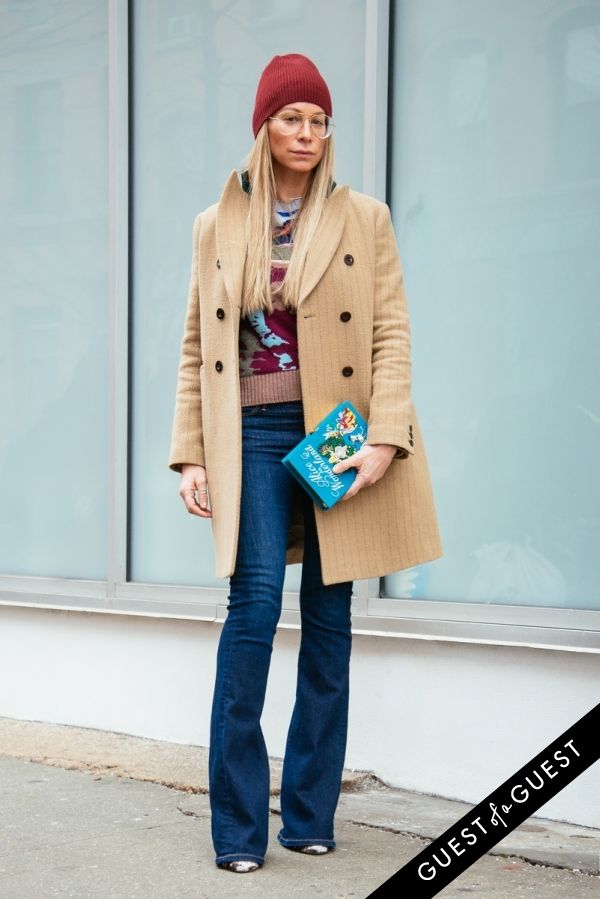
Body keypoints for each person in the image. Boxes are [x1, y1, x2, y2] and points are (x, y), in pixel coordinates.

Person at [168, 53, 442, 874]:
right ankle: (239, 827)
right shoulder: (216, 225)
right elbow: (196, 347)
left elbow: (391, 332)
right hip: (247, 432)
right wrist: (189, 453)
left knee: (329, 615)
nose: (309, 133)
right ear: (265, 126)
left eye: (320, 121)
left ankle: (312, 814)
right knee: (251, 610)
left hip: (336, 430)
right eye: (293, 118)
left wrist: (386, 436)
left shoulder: (365, 217)